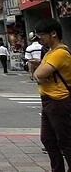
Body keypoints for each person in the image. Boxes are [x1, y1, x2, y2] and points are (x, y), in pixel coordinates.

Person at [27, 17, 71, 172]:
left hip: (59, 101)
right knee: (47, 139)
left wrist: (36, 70)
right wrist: (36, 70)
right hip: (47, 101)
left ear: (53, 33)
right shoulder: (49, 53)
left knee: (65, 141)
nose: (40, 40)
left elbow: (39, 75)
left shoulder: (60, 53)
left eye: (42, 36)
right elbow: (37, 75)